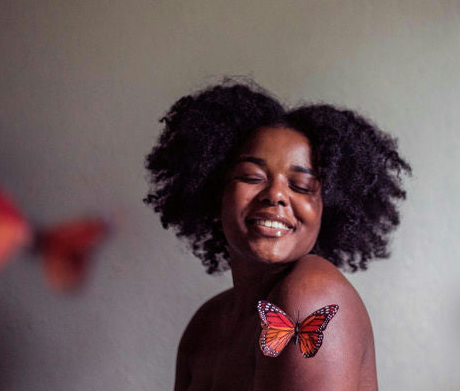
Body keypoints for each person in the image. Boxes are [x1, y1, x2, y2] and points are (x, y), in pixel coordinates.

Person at [144, 79, 410, 390]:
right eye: (251, 177)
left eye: (301, 186)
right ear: (216, 191)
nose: (275, 195)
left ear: (329, 208)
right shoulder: (206, 324)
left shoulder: (310, 295)